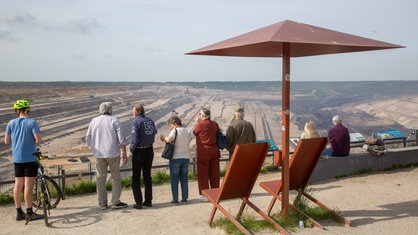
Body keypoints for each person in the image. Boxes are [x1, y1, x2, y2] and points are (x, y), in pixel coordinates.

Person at [4, 100, 44, 221]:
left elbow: (6, 141)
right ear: (28, 110)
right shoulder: (32, 122)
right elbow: (39, 140)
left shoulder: (11, 123)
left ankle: (18, 212)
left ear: (16, 111)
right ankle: (30, 212)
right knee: (28, 185)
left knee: (18, 184)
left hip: (17, 158)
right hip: (30, 158)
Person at [85, 102, 128, 210]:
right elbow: (122, 139)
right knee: (115, 178)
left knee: (100, 178)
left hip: (99, 154)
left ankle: (102, 203)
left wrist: (95, 147)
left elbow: (88, 139)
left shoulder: (93, 121)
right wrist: (124, 153)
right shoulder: (114, 120)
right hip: (113, 153)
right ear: (110, 110)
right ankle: (115, 201)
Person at [160, 116, 194, 204]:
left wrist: (163, 138)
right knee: (184, 179)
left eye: (170, 126)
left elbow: (169, 139)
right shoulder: (186, 131)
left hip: (175, 158)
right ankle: (185, 198)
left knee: (174, 180)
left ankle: (175, 200)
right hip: (186, 157)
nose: (170, 128)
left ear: (175, 124)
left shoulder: (175, 131)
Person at [130, 104, 157, 209]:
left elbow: (135, 139)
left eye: (133, 112)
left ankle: (138, 202)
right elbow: (154, 131)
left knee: (136, 178)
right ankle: (148, 201)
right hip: (149, 150)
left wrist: (132, 149)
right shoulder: (150, 121)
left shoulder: (136, 122)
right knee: (147, 177)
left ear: (136, 112)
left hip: (139, 152)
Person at [192, 108, 220, 201]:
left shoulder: (200, 124)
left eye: (200, 114)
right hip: (214, 150)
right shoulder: (214, 124)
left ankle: (204, 194)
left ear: (202, 115)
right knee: (214, 173)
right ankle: (216, 192)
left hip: (203, 151)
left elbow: (194, 133)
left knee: (203, 173)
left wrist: (197, 123)